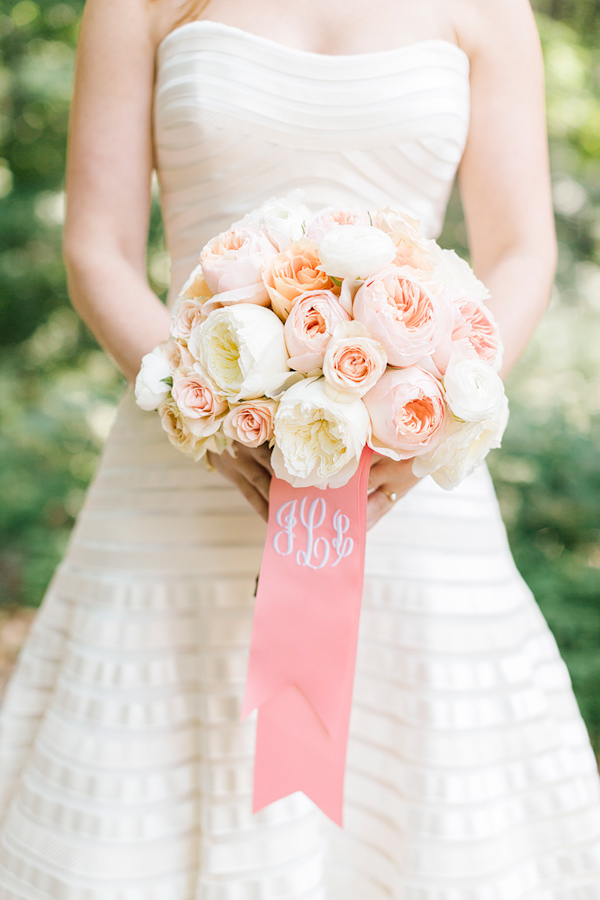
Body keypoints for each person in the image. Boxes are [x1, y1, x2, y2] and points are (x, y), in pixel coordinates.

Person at [0, 0, 599, 895]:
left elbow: (522, 253)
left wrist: (434, 409)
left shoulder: (490, 10)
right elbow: (97, 250)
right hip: (179, 473)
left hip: (407, 483)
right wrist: (202, 401)